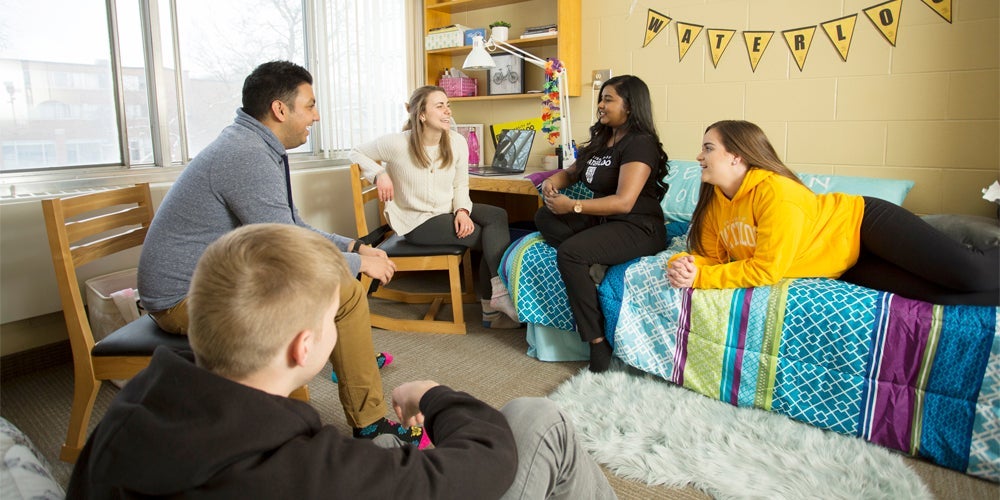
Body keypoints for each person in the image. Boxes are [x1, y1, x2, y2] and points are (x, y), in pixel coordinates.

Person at [68, 224, 617, 499]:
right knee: (538, 419)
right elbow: (488, 458)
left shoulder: (130, 414)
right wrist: (434, 395)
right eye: (335, 317)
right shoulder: (306, 472)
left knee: (382, 446)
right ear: (304, 348)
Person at [136, 61, 422, 445]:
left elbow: (291, 226)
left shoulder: (253, 143)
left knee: (343, 281)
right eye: (310, 105)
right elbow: (286, 247)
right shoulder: (246, 154)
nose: (317, 116)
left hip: (204, 284)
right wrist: (357, 263)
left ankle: (351, 363)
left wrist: (354, 247)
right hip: (184, 300)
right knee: (346, 290)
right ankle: (369, 421)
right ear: (280, 109)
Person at [667, 119, 999, 306]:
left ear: (736, 156)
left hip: (863, 224)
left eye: (708, 148)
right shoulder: (714, 203)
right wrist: (682, 266)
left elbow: (767, 270)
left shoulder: (776, 192)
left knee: (971, 275)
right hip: (842, 263)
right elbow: (709, 258)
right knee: (944, 297)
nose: (699, 156)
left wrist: (702, 278)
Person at [350, 85, 518, 328]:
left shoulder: (456, 142)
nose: (447, 110)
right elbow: (355, 153)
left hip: (445, 210)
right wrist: (379, 174)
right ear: (421, 114)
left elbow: (461, 185)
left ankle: (496, 301)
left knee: (497, 216)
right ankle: (496, 302)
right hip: (416, 222)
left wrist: (462, 211)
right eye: (439, 106)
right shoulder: (397, 144)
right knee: (487, 237)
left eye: (448, 105)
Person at [534, 75, 670, 373]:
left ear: (631, 107)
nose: (600, 105)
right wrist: (552, 183)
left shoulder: (640, 144)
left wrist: (573, 205)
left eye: (608, 99)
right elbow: (571, 173)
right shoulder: (602, 139)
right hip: (605, 221)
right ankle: (598, 259)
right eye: (601, 98)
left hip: (638, 226)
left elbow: (624, 202)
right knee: (545, 216)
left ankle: (597, 341)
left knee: (570, 253)